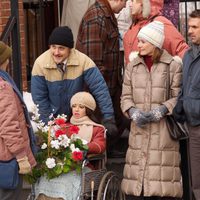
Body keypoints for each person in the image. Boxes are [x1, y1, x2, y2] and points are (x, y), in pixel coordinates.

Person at [120, 21, 183, 199]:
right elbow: (125, 96)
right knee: (136, 186)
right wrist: (132, 111)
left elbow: (178, 96)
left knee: (160, 184)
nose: (138, 45)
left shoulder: (173, 66)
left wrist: (162, 110)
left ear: (154, 43)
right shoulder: (132, 66)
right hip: (138, 131)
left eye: (142, 41)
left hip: (163, 133)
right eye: (138, 41)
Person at [31, 26, 117, 139]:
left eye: (61, 48)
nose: (56, 52)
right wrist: (49, 124)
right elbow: (39, 98)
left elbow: (100, 89)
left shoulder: (83, 61)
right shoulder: (40, 63)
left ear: (70, 49)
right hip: (53, 118)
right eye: (53, 47)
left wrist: (108, 117)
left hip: (78, 117)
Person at [76, 0, 130, 157]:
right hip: (100, 91)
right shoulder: (96, 18)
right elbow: (92, 63)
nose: (126, 6)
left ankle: (109, 150)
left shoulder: (105, 15)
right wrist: (102, 94)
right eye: (125, 2)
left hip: (110, 86)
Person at [35, 91, 106, 200]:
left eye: (81, 107)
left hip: (84, 166)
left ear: (88, 109)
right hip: (63, 165)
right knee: (45, 178)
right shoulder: (64, 126)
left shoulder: (97, 128)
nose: (76, 109)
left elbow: (100, 146)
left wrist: (82, 145)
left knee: (67, 181)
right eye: (74, 106)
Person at [0, 41, 37, 200]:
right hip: (7, 160)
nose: (9, 61)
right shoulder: (3, 88)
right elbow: (8, 126)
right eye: (7, 58)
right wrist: (22, 157)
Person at [173, 10, 200, 200]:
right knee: (196, 179)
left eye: (195, 27)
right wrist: (180, 105)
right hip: (193, 125)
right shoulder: (189, 55)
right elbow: (186, 86)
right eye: (189, 26)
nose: (189, 31)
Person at [124, 0, 189, 65]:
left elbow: (181, 49)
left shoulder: (160, 22)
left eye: (133, 1)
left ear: (144, 3)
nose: (130, 4)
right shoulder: (133, 25)